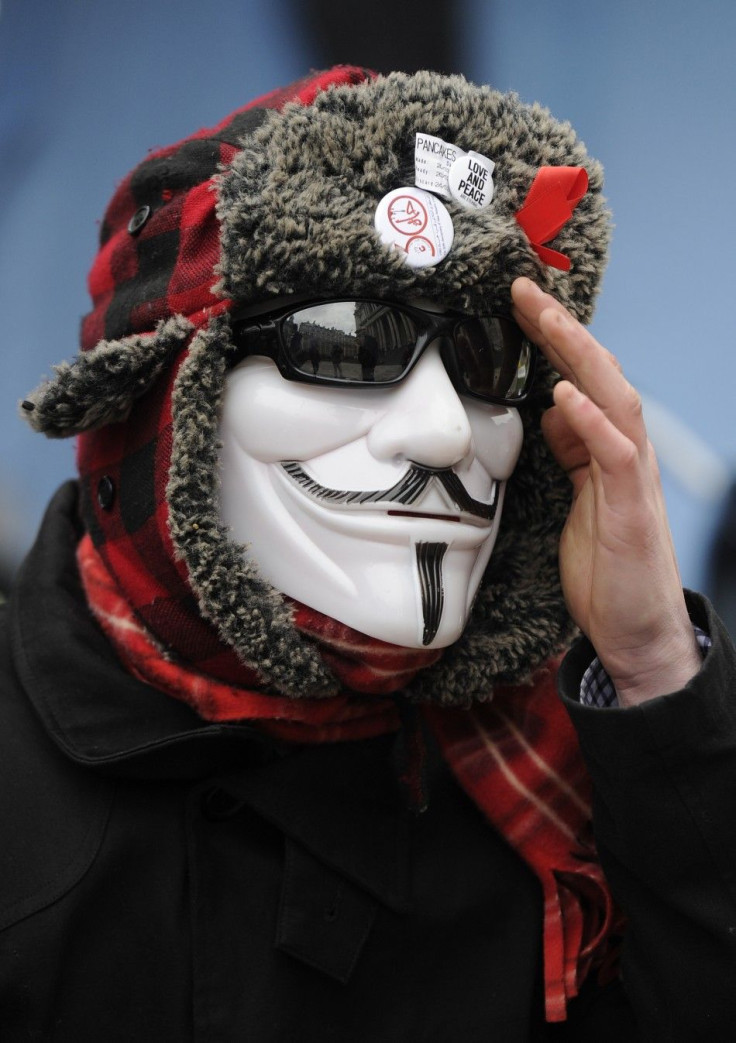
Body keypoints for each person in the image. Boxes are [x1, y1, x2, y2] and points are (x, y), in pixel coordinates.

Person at [1, 66, 734, 1042]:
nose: (441, 430)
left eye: (480, 362)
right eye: (345, 345)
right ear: (171, 393)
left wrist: (649, 669)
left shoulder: (561, 764)